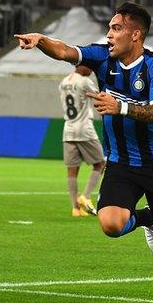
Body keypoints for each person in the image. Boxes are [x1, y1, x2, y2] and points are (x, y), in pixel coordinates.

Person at [15, 2, 153, 303]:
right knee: (111, 225)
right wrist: (41, 40)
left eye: (116, 28)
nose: (109, 35)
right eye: (109, 28)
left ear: (135, 35)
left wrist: (120, 106)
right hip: (120, 161)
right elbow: (66, 52)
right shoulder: (102, 57)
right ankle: (146, 218)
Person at [58, 65, 106, 217]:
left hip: (68, 129)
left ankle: (75, 209)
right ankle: (85, 197)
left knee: (72, 169)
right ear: (81, 66)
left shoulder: (64, 82)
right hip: (84, 128)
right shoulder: (84, 81)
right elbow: (99, 96)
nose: (91, 69)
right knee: (100, 164)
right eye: (89, 66)